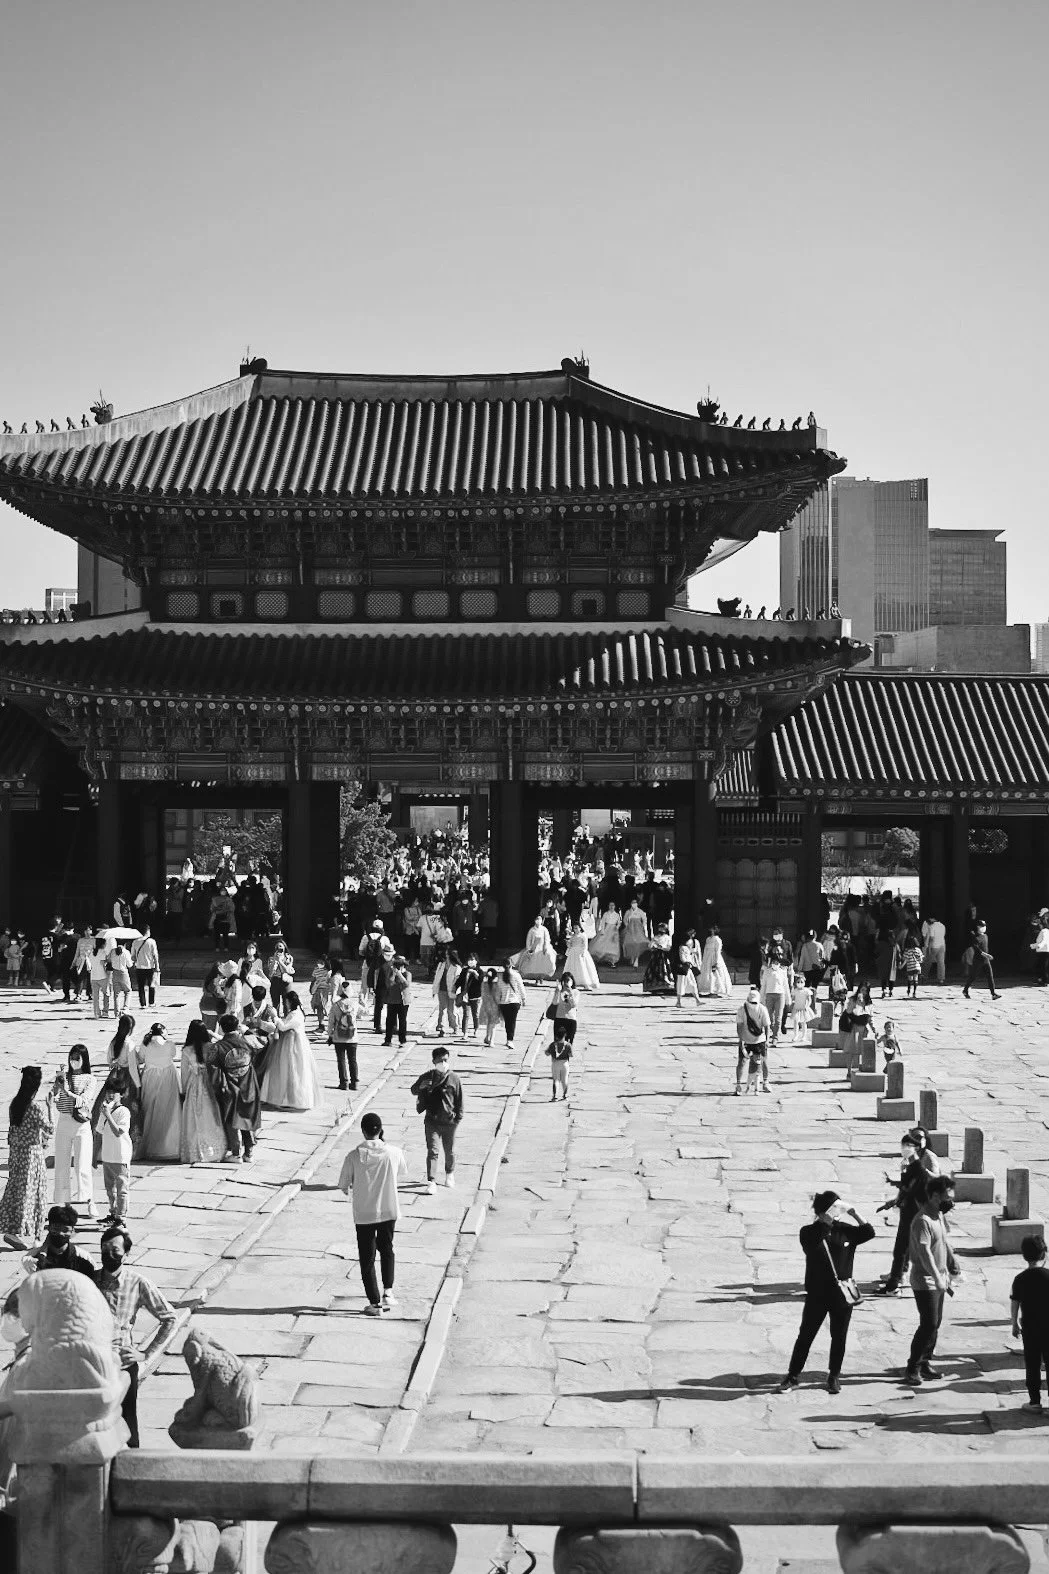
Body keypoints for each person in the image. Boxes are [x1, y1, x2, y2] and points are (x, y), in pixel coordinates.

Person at [778, 1191, 875, 1394]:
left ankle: (834, 1375)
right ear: (823, 1212)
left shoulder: (845, 1230)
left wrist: (854, 1213)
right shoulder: (808, 1232)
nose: (838, 1212)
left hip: (842, 1294)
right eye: (834, 1208)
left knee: (839, 1336)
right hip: (818, 1294)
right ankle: (793, 1375)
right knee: (806, 1335)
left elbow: (868, 1232)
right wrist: (826, 1220)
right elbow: (814, 1242)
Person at [95, 1225, 177, 1448]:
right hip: (92, 1363)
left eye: (115, 1250)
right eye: (105, 1249)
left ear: (126, 1254)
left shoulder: (138, 1283)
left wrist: (145, 1354)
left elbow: (170, 1318)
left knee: (127, 1425)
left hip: (123, 1364)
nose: (109, 1254)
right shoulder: (89, 1281)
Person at [337, 1111, 408, 1315]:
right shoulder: (394, 1152)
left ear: (363, 1131)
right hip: (388, 1209)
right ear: (381, 1129)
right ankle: (388, 1291)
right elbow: (402, 1171)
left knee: (367, 1257)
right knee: (387, 1249)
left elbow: (343, 1185)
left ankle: (374, 1303)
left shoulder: (353, 1156)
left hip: (364, 1213)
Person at [903, 1174, 960, 1386]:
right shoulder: (922, 1221)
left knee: (935, 1324)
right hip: (925, 1280)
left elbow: (944, 1242)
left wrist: (953, 1262)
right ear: (935, 1196)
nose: (950, 1201)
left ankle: (925, 1362)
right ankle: (912, 1367)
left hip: (940, 1278)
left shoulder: (939, 1216)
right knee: (928, 1324)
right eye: (947, 1197)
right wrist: (936, 1277)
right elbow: (924, 1252)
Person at [877, 1127, 939, 1295]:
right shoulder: (909, 1161)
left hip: (919, 1210)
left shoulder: (924, 1160)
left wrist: (920, 1171)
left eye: (917, 1139)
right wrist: (895, 1201)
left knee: (915, 1247)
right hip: (909, 1209)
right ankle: (897, 1277)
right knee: (904, 1248)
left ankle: (898, 1281)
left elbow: (933, 1180)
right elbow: (907, 1186)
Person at [0, 1068, 54, 1247]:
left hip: (17, 1154)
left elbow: (13, 1131)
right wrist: (50, 1107)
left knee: (15, 1191)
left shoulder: (15, 1104)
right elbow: (50, 1128)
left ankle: (11, 1230)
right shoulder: (35, 1107)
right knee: (34, 1193)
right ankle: (35, 1235)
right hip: (32, 1156)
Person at [410, 1046, 463, 1193]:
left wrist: (458, 1118)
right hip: (432, 1121)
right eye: (440, 1060)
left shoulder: (454, 1078)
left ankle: (449, 1173)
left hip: (449, 1122)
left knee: (449, 1150)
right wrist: (421, 1086)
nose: (443, 1063)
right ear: (434, 1061)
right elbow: (413, 1090)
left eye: (445, 1060)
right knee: (432, 1151)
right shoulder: (427, 1076)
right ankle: (431, 1181)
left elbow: (459, 1099)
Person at [52, 1044, 97, 1216]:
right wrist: (57, 1087)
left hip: (80, 1124)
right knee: (61, 1164)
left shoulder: (90, 1079)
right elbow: (56, 1099)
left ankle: (89, 1200)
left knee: (82, 1165)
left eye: (77, 1058)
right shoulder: (65, 1077)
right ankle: (65, 1202)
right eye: (72, 1058)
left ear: (84, 1059)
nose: (74, 1062)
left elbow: (84, 1100)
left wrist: (67, 1091)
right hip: (64, 1121)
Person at [211, 1014, 263, 1163]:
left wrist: (216, 1088)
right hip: (249, 1084)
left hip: (229, 1086)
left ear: (221, 1028)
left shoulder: (218, 1047)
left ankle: (236, 1153)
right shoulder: (248, 1041)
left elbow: (213, 1070)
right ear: (237, 1026)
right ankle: (249, 1152)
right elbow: (263, 1044)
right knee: (247, 1117)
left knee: (231, 1119)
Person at [262, 990, 322, 1110]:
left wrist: (275, 1016)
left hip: (294, 1046)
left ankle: (293, 1099)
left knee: (294, 1070)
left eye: (286, 1001)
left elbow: (283, 1027)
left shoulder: (296, 1014)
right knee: (287, 1071)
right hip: (289, 1043)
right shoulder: (295, 1012)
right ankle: (286, 1098)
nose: (285, 1004)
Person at [1009, 1234, 1049, 1413]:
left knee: (1032, 1363)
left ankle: (1034, 1402)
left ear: (1023, 1255)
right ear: (1044, 1253)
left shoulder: (1020, 1278)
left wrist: (1014, 1324)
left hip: (1030, 1328)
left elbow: (1015, 1303)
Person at [179, 1020, 227, 1164]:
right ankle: (214, 1149)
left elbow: (184, 1073)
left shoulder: (187, 1050)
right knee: (211, 1115)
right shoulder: (211, 1047)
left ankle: (194, 1151)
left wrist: (184, 1090)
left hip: (194, 1085)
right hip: (210, 1083)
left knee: (194, 1118)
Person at [136, 1024, 182, 1161]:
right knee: (170, 1110)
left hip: (150, 1076)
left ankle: (148, 1142)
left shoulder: (145, 1044)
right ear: (163, 1032)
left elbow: (140, 1059)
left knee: (149, 1108)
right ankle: (169, 1146)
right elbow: (173, 1055)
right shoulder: (170, 1044)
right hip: (168, 1076)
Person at [22, 1202, 96, 1276]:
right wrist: (43, 1252)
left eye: (65, 1230)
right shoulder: (32, 1256)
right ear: (49, 1228)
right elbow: (33, 1266)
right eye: (56, 1229)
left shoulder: (83, 1256)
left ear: (72, 1231)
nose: (60, 1233)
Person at [96, 1081, 133, 1224]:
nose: (110, 1095)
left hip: (120, 1156)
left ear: (121, 1095)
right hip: (107, 1156)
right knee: (109, 1189)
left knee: (121, 1189)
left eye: (114, 1092)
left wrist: (108, 1115)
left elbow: (118, 1132)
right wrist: (94, 1155)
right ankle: (112, 1213)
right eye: (108, 1092)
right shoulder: (104, 1110)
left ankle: (121, 1217)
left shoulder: (124, 1111)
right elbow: (99, 1133)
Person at [735, 987, 771, 1095]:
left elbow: (767, 1026)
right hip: (746, 1040)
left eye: (755, 1002)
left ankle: (765, 1082)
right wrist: (741, 1040)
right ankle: (738, 1084)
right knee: (741, 1062)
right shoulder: (742, 1009)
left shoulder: (762, 1009)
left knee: (763, 1061)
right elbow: (739, 1026)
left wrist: (767, 1040)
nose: (753, 1004)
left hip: (759, 1040)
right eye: (751, 1002)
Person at [327, 978, 360, 1091]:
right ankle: (355, 1082)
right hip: (352, 1037)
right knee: (353, 1060)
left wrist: (330, 1035)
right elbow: (365, 1012)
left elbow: (331, 1022)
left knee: (341, 1060)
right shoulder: (354, 1004)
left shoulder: (335, 1005)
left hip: (338, 1037)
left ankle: (344, 1082)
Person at [491, 962, 527, 1048]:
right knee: (512, 1021)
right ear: (512, 965)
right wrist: (524, 998)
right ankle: (510, 1040)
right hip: (514, 1001)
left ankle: (508, 1039)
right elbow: (521, 986)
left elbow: (499, 989)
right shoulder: (516, 975)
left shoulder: (500, 976)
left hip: (503, 1002)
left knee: (507, 1022)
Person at [963, 921, 999, 1000]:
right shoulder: (975, 937)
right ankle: (965, 990)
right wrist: (986, 955)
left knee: (990, 976)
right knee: (973, 976)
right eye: (982, 926)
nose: (984, 928)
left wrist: (986, 956)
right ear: (978, 927)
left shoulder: (985, 936)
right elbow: (977, 949)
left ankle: (993, 994)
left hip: (986, 960)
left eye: (984, 926)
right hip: (978, 960)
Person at [382, 954, 412, 1047]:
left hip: (403, 1001)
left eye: (400, 965)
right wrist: (393, 973)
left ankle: (402, 1040)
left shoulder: (407, 974)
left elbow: (406, 984)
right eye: (397, 965)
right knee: (389, 1021)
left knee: (402, 1021)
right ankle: (388, 1040)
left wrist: (399, 974)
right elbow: (388, 983)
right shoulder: (391, 973)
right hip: (392, 1000)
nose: (398, 967)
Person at [697, 924, 732, 998]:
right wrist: (704, 959)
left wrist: (716, 961)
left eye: (712, 929)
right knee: (707, 973)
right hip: (707, 958)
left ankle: (716, 990)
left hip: (714, 957)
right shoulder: (708, 939)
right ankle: (710, 989)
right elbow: (705, 949)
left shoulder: (717, 939)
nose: (711, 930)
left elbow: (718, 951)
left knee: (715, 974)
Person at [130, 926, 160, 1009]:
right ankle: (151, 1002)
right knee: (151, 985)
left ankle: (142, 1004)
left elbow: (133, 956)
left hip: (139, 967)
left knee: (141, 986)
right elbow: (155, 955)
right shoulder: (152, 941)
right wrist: (157, 966)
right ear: (147, 931)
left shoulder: (135, 942)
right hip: (150, 967)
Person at [432, 949, 461, 1036]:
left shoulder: (457, 967)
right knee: (442, 1009)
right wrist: (434, 990)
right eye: (446, 954)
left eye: (448, 955)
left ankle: (455, 1026)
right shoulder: (441, 965)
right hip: (441, 990)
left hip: (452, 991)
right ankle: (442, 1028)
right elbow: (437, 978)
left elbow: (458, 981)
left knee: (452, 1010)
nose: (446, 956)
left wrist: (457, 993)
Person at [563, 924, 600, 991]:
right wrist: (568, 942)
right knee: (572, 967)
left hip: (580, 952)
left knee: (583, 967)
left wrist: (583, 952)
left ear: (580, 928)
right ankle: (572, 983)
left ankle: (586, 984)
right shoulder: (572, 936)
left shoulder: (583, 935)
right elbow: (570, 945)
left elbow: (585, 945)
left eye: (577, 928)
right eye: (574, 928)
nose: (575, 930)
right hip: (573, 953)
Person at [455, 954, 483, 1037]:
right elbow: (459, 981)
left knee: (475, 1014)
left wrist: (474, 973)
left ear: (476, 961)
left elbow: (480, 980)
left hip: (475, 996)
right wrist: (454, 989)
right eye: (469, 960)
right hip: (465, 995)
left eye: (472, 960)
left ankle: (476, 1029)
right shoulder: (464, 970)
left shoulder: (479, 970)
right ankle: (465, 1032)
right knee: (466, 1014)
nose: (470, 961)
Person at [642, 923, 675, 995]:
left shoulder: (667, 938)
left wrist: (662, 947)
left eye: (663, 928)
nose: (661, 930)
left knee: (664, 970)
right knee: (654, 970)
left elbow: (669, 947)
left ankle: (665, 987)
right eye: (660, 928)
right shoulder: (656, 937)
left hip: (663, 956)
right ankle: (654, 987)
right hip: (655, 956)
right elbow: (650, 946)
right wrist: (653, 945)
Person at [545, 1021, 574, 1101]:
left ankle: (555, 1096)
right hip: (565, 1063)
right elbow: (571, 1055)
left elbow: (547, 1053)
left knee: (556, 1080)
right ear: (565, 1035)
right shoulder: (568, 1045)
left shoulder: (553, 1044)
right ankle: (565, 1095)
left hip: (555, 1063)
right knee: (564, 1080)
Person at [675, 928, 701, 1008]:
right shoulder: (682, 947)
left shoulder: (686, 948)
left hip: (688, 968)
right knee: (681, 984)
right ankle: (678, 1002)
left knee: (692, 983)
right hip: (683, 968)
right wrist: (687, 962)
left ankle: (697, 1000)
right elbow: (682, 957)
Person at [107, 937, 134, 1016]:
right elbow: (129, 965)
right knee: (128, 991)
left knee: (116, 994)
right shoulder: (126, 952)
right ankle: (126, 1008)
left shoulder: (112, 951)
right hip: (123, 972)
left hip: (115, 972)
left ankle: (117, 1012)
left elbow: (109, 960)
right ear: (125, 944)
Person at [620, 899, 649, 967]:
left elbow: (644, 919)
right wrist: (627, 925)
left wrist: (642, 925)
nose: (634, 905)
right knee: (630, 943)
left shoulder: (640, 911)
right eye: (632, 903)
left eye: (635, 903)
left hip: (638, 928)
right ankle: (632, 956)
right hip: (630, 929)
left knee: (638, 943)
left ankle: (636, 959)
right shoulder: (628, 911)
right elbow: (625, 919)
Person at [90, 937, 113, 1018]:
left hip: (93, 976)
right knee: (106, 994)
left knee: (95, 997)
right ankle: (105, 1011)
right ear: (103, 944)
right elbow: (103, 964)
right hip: (103, 976)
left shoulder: (92, 952)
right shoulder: (103, 952)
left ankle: (96, 1013)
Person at [922, 914, 947, 985]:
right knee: (941, 962)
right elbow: (943, 935)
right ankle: (941, 979)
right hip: (942, 945)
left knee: (928, 961)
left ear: (932, 919)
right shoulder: (942, 926)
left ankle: (924, 976)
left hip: (934, 946)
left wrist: (929, 948)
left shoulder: (932, 927)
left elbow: (932, 938)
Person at [900, 933, 924, 998]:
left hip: (910, 967)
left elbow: (905, 959)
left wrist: (901, 966)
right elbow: (921, 959)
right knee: (916, 979)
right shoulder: (918, 950)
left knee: (910, 979)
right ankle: (914, 992)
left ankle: (909, 990)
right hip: (917, 967)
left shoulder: (907, 950)